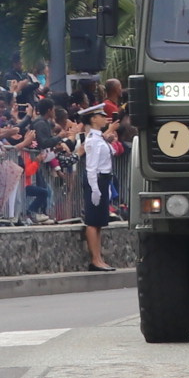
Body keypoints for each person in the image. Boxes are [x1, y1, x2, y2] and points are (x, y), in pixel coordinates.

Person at [80, 111, 116, 271]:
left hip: (104, 180)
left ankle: (99, 257)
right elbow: (91, 166)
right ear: (93, 119)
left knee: (99, 222)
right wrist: (95, 188)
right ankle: (95, 259)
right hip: (97, 180)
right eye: (101, 115)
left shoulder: (99, 138)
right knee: (93, 221)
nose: (104, 118)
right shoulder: (93, 140)